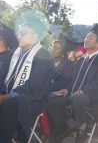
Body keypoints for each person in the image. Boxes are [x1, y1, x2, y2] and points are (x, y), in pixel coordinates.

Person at [46, 30, 98, 143]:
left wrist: (83, 91)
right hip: (74, 94)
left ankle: (81, 126)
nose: (86, 39)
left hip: (93, 98)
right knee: (50, 100)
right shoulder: (82, 60)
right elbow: (74, 80)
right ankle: (64, 127)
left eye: (90, 38)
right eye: (86, 37)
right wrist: (67, 89)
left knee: (78, 98)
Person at [0, 10, 54, 143]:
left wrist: (7, 96)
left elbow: (34, 87)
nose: (19, 36)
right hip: (11, 96)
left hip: (32, 100)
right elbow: (5, 77)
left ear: (35, 35)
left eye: (23, 33)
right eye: (19, 33)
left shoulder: (43, 55)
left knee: (9, 103)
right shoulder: (17, 53)